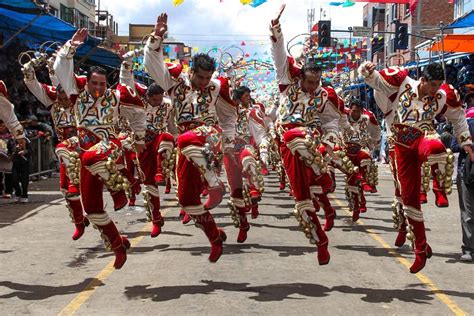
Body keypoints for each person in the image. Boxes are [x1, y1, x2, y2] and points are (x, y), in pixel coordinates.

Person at [359, 61, 473, 273]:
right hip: (400, 146)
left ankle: (439, 189)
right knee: (408, 199)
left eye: (439, 84)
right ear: (423, 80)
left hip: (423, 138)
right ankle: (420, 249)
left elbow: (458, 118)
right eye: (433, 84)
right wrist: (366, 71)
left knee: (437, 147)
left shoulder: (441, 96)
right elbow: (377, 82)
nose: (436, 89)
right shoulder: (402, 83)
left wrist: (466, 142)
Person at [144, 13, 237, 262]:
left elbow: (229, 115)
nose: (205, 82)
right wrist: (156, 36)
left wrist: (227, 141)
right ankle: (214, 237)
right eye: (201, 77)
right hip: (185, 142)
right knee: (186, 200)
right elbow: (152, 64)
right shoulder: (174, 81)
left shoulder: (217, 87)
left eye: (209, 78)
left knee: (187, 140)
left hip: (208, 136)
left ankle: (215, 185)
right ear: (192, 71)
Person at [54, 28, 147, 269]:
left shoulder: (116, 97)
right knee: (93, 210)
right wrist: (71, 47)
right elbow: (60, 69)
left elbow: (138, 111)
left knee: (93, 155)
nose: (98, 87)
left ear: (108, 83)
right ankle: (118, 245)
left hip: (109, 147)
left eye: (102, 84)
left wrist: (138, 138)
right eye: (94, 83)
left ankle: (120, 189)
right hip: (86, 154)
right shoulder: (77, 91)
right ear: (88, 81)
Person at [269, 4, 353, 264]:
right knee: (300, 198)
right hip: (287, 140)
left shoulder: (324, 95)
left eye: (317, 82)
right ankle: (321, 241)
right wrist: (277, 32)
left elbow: (331, 123)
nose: (313, 86)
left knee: (316, 183)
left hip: (310, 139)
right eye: (309, 82)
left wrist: (330, 139)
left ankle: (323, 177)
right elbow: (279, 55)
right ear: (301, 78)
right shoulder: (287, 81)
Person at [225, 86, 268, 243]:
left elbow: (261, 134)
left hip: (245, 147)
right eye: (244, 96)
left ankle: (254, 190)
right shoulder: (224, 113)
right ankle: (243, 226)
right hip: (228, 153)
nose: (247, 98)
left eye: (249, 96)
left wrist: (263, 152)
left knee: (248, 159)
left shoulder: (251, 113)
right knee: (235, 192)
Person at [342, 99, 381, 222]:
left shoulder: (367, 118)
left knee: (364, 158)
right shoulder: (343, 118)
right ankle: (358, 206)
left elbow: (376, 131)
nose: (355, 114)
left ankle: (365, 182)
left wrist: (374, 144)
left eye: (358, 111)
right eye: (354, 111)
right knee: (352, 182)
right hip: (347, 153)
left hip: (361, 149)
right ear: (350, 109)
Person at [451, 93, 474, 262]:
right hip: (467, 172)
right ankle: (468, 248)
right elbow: (453, 145)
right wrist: (469, 150)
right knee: (467, 211)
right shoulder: (465, 120)